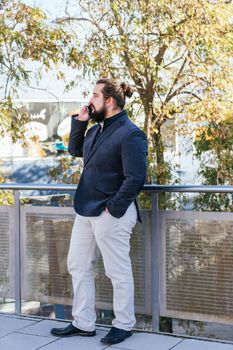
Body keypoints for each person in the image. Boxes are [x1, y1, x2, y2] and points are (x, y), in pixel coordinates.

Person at [51, 78, 148, 345]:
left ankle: (124, 325)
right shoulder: (95, 130)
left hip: (111, 214)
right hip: (85, 210)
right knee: (78, 265)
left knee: (117, 271)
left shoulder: (131, 133)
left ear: (110, 101)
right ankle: (83, 323)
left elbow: (135, 178)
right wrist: (80, 122)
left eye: (94, 95)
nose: (90, 100)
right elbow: (74, 150)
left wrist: (113, 208)